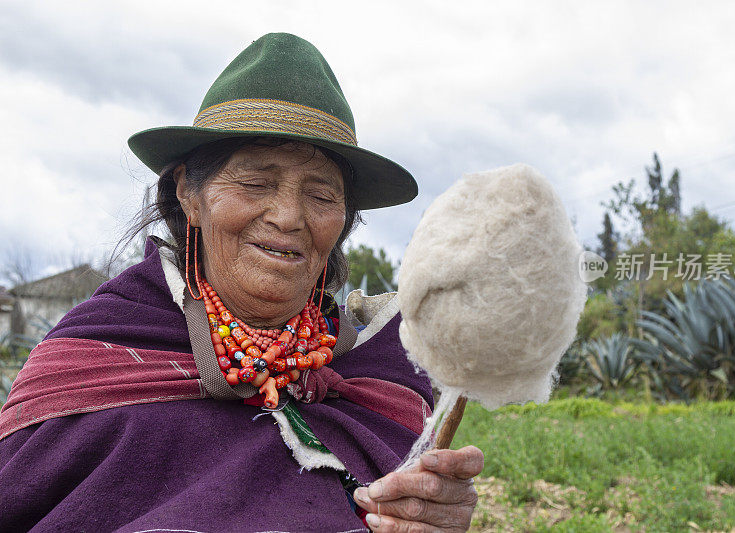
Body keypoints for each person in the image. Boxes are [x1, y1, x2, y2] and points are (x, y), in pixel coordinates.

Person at [0, 33, 483, 532]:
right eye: (255, 184)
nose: (289, 216)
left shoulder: (384, 372)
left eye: (321, 196)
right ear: (189, 192)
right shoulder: (99, 355)